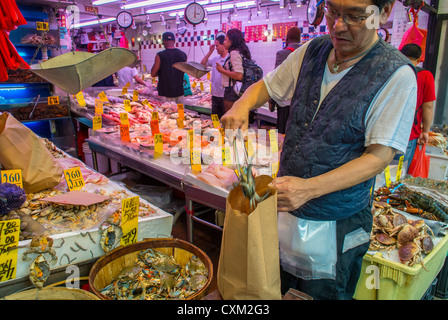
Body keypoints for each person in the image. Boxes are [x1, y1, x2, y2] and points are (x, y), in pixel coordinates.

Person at [221, 0, 417, 300]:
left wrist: (309, 189)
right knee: (274, 287)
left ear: (384, 12)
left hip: (336, 226)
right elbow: (267, 86)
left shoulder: (396, 75)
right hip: (286, 214)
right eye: (332, 12)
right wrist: (242, 104)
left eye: (353, 16)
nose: (338, 25)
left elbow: (379, 157)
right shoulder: (312, 51)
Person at [399, 43, 436, 172]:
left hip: (386, 132)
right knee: (399, 174)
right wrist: (425, 131)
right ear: (419, 59)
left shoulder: (393, 72)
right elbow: (428, 107)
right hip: (409, 134)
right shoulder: (426, 76)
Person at [269, 26, 302, 134]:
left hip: (285, 103)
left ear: (287, 40)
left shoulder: (282, 54)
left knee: (282, 135)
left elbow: (276, 79)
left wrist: (271, 102)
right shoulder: (306, 52)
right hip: (301, 103)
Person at [216, 28, 251, 113]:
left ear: (231, 41)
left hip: (232, 92)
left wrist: (222, 70)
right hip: (239, 91)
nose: (224, 42)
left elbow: (239, 75)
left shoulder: (234, 53)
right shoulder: (241, 51)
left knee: (231, 121)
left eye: (225, 40)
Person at [151, 31, 187, 103]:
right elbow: (182, 71)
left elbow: (153, 73)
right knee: (180, 114)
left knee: (166, 114)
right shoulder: (183, 55)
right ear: (174, 41)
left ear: (164, 42)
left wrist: (163, 72)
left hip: (165, 94)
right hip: (179, 93)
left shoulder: (160, 55)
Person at [201, 34, 228, 118]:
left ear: (224, 44)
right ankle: (215, 131)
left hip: (226, 96)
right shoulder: (215, 59)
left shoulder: (230, 58)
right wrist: (210, 51)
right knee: (215, 119)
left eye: (217, 46)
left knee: (225, 120)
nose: (216, 48)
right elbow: (202, 63)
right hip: (215, 95)